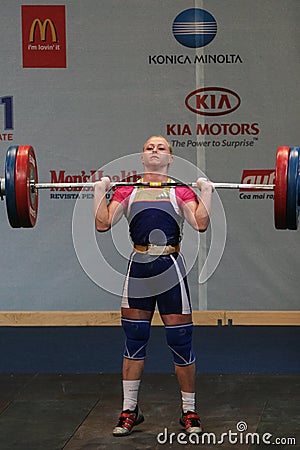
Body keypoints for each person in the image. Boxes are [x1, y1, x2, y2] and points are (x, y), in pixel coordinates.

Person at [94, 136, 213, 437]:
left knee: (181, 340)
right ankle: (129, 410)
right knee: (134, 339)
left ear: (170, 159)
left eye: (161, 148)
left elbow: (200, 223)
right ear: (142, 157)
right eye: (150, 147)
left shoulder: (180, 190)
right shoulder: (127, 190)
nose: (155, 151)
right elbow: (103, 223)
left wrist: (207, 194)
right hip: (139, 267)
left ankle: (189, 411)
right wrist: (98, 193)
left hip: (170, 267)